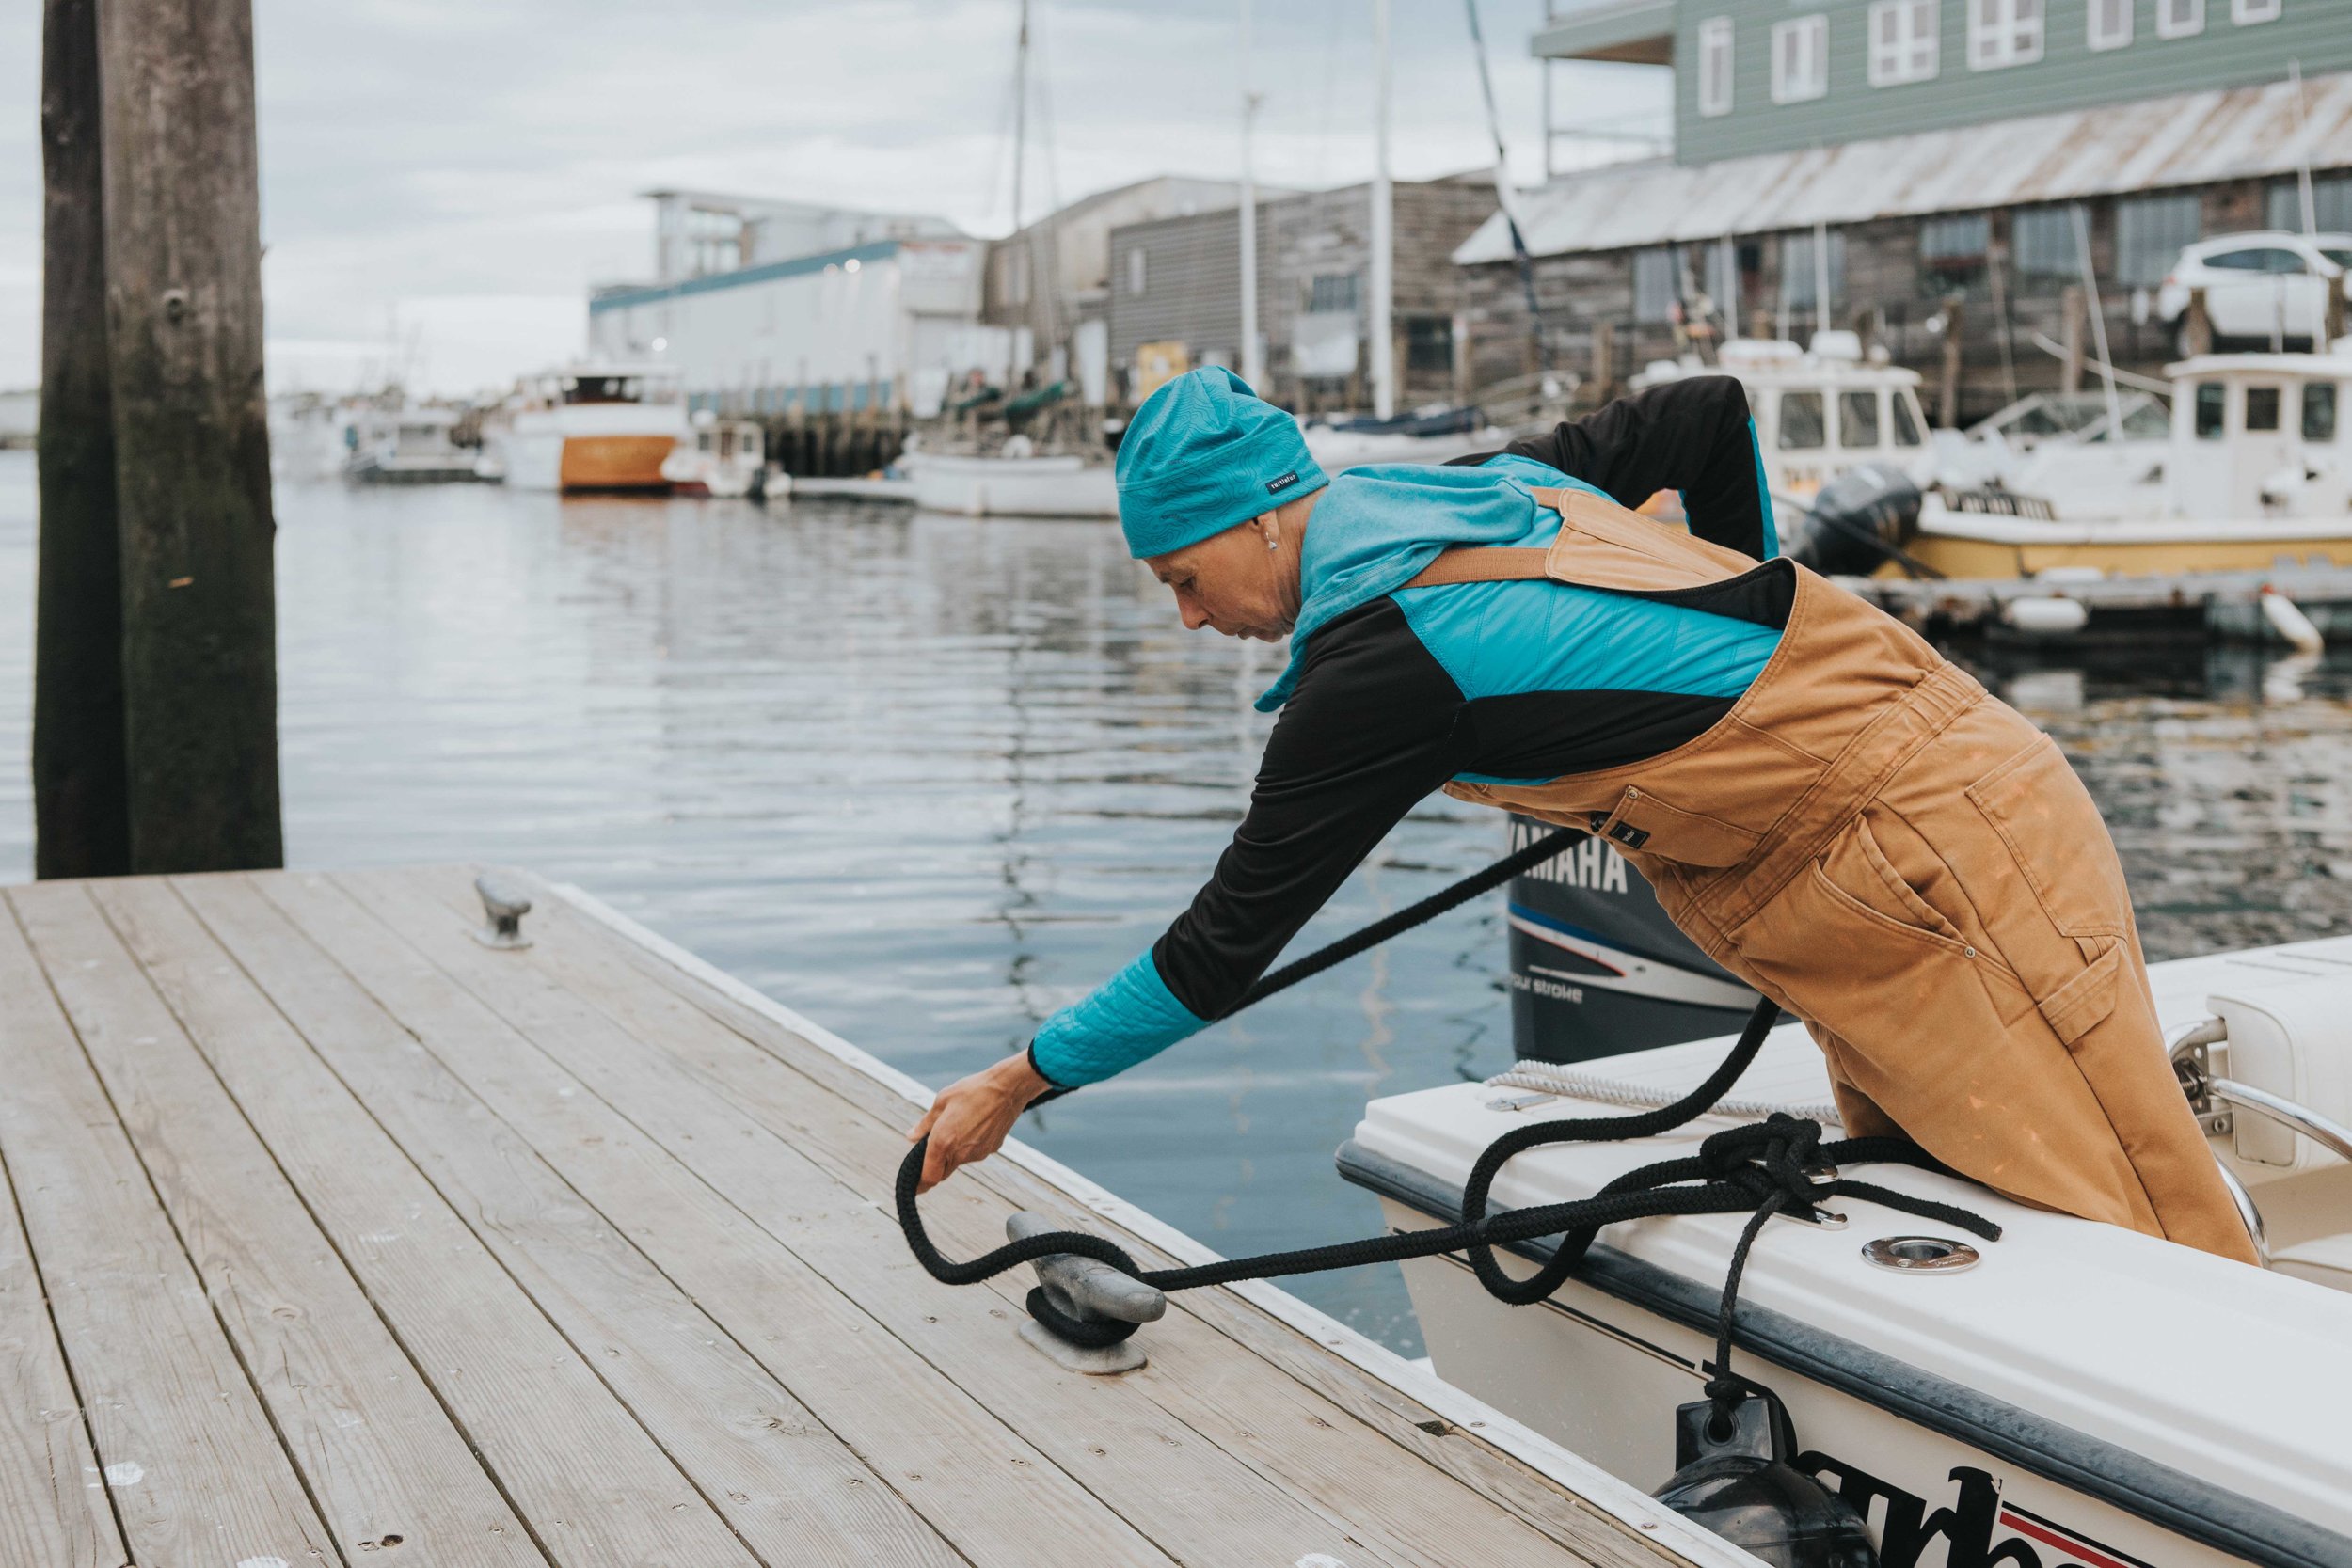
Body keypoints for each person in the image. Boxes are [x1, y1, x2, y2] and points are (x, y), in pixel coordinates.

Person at [908, 366, 2256, 1264]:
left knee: (2135, 1238)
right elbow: (1709, 418)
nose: (1192, 619)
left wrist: (1015, 1085)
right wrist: (1732, 629)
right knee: (1979, 1215)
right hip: (1868, 903)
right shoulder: (1465, 487)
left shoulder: (1376, 671)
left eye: (1185, 578)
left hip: (1946, 860)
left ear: (1267, 522)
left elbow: (1224, 945)